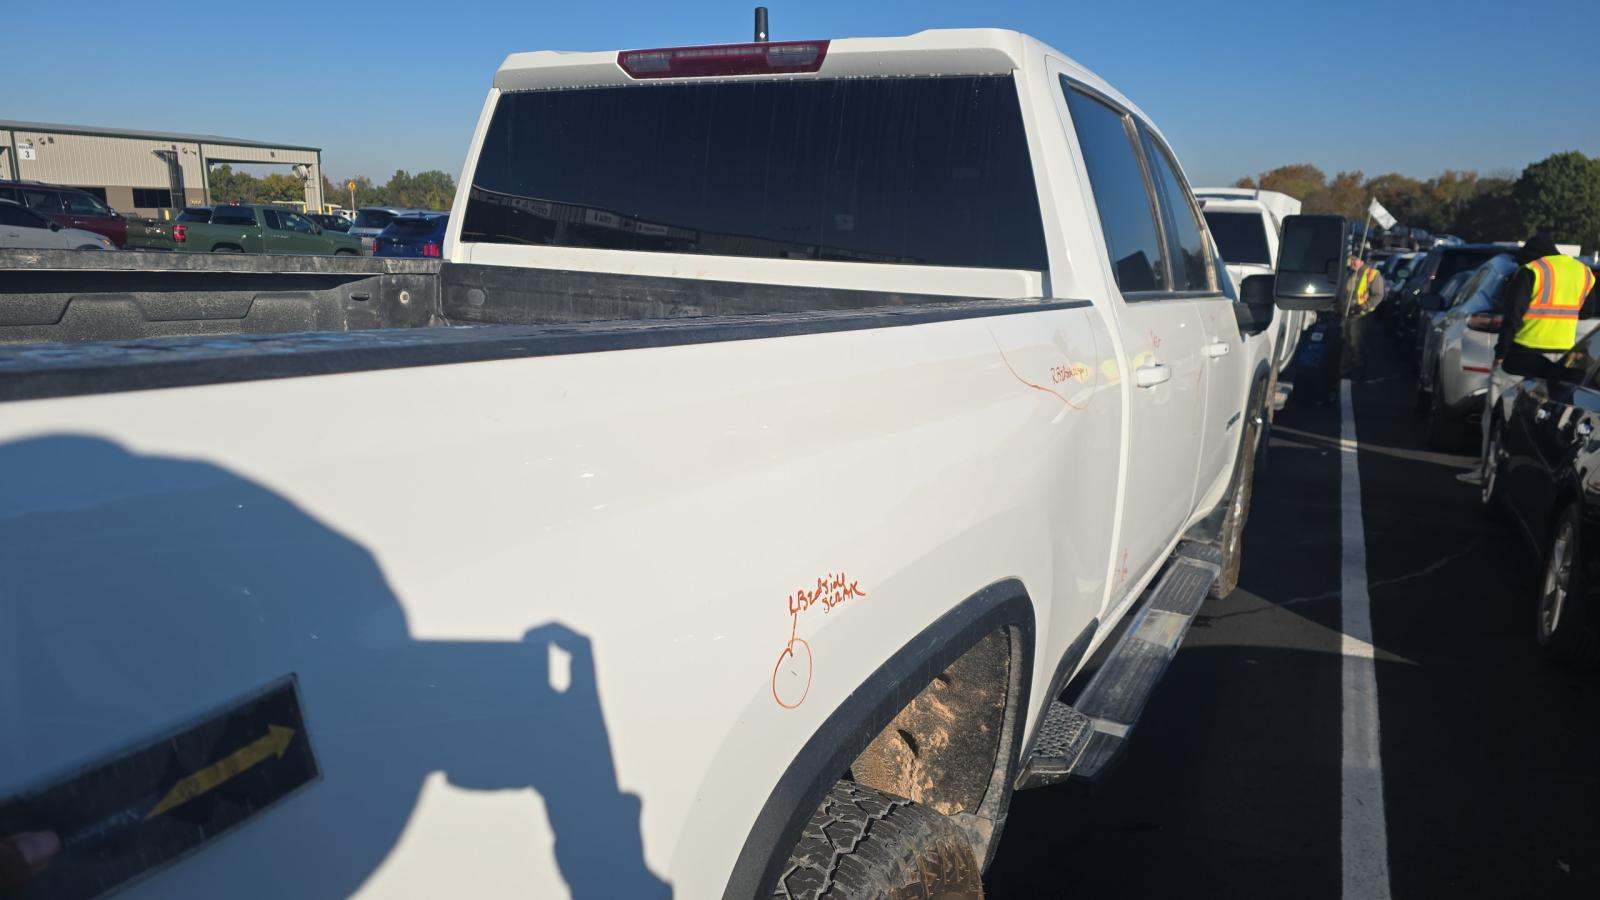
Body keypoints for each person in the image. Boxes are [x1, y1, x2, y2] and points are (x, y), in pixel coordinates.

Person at [1459, 233, 1597, 486]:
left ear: (1531, 256)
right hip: (1561, 362)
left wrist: (1500, 353)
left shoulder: (1532, 271)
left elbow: (1513, 317)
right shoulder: (1584, 272)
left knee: (1497, 412)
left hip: (1522, 355)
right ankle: (1534, 477)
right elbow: (1586, 311)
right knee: (1548, 422)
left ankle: (1487, 471)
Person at [1340, 252, 1386, 382]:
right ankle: (1345, 372)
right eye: (1351, 259)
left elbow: (1378, 295)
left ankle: (1359, 372)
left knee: (1357, 344)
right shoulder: (1350, 273)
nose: (1351, 262)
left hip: (1361, 316)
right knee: (1346, 342)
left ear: (1362, 260)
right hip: (1348, 314)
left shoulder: (1372, 274)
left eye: (1354, 259)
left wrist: (1363, 306)